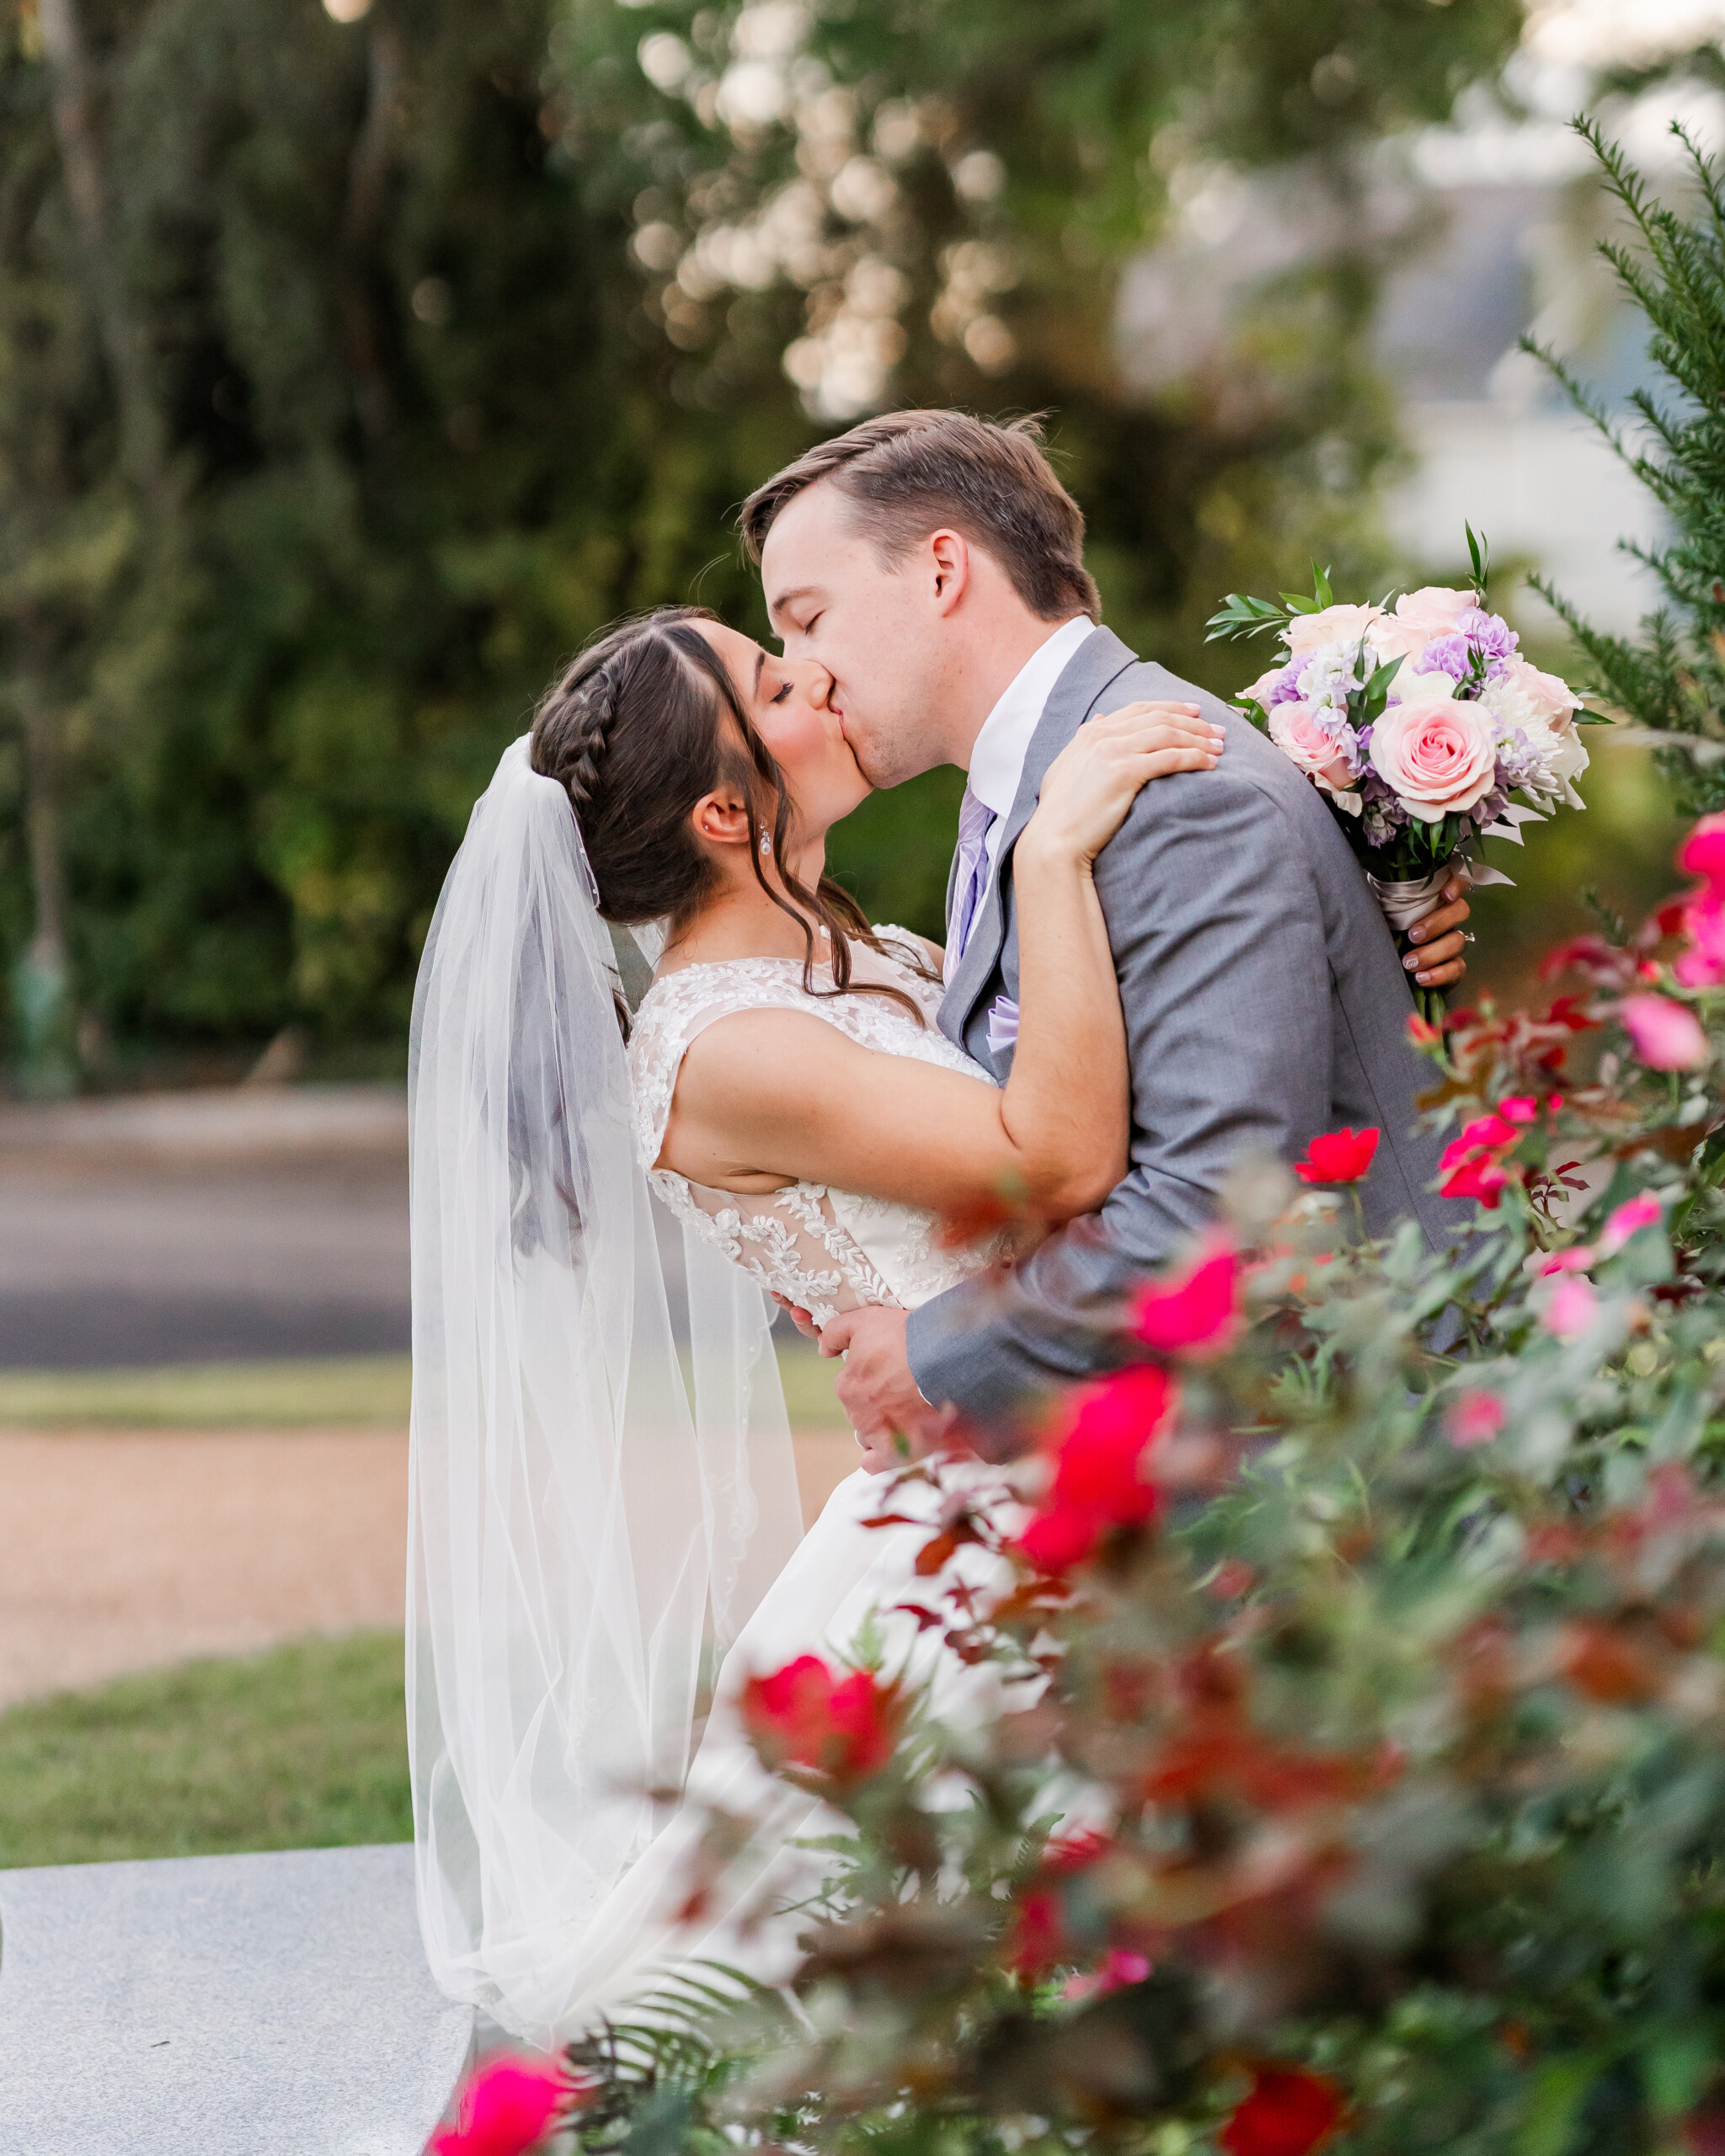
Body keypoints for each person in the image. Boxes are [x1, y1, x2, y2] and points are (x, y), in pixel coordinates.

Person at [407, 604, 1242, 2044]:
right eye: (779, 680)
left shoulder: (851, 957)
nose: (828, 679)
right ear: (729, 808)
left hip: (1070, 1446)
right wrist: (1051, 850)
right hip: (992, 1517)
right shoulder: (722, 1043)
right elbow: (1049, 1160)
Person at [739, 410, 1472, 1449]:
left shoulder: (1175, 797)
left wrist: (936, 1354)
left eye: (807, 619)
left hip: (1348, 1470)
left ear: (941, 571)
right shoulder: (1024, 792)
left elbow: (1211, 1205)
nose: (800, 670)